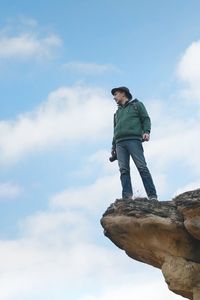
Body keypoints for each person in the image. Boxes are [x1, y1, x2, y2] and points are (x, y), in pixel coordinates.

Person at [110, 86, 158, 201]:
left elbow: (146, 119)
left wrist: (146, 131)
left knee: (142, 167)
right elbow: (115, 130)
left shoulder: (137, 105)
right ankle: (127, 197)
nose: (114, 97)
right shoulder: (117, 113)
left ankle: (152, 196)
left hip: (133, 140)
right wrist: (113, 146)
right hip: (119, 143)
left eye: (115, 94)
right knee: (123, 170)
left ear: (123, 93)